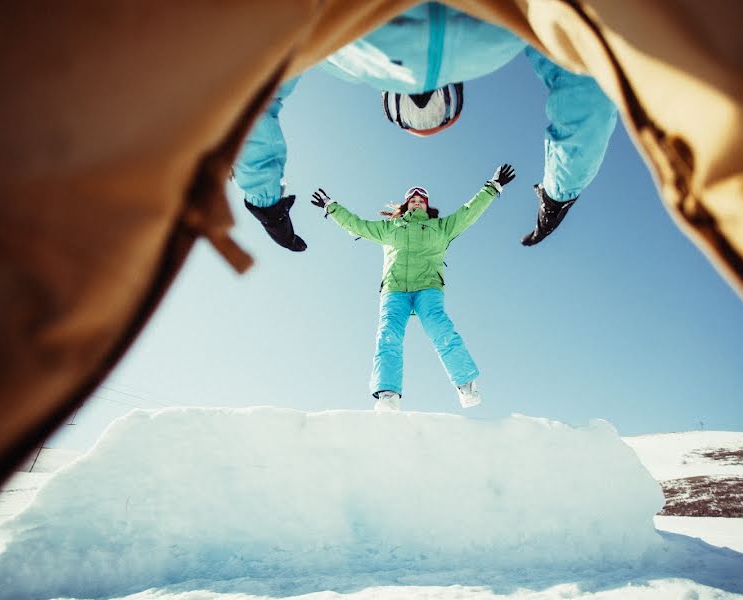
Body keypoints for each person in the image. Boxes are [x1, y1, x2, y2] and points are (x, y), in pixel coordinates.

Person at [236, 2, 616, 252]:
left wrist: (269, 206)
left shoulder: (330, 41)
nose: (419, 97)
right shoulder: (332, 44)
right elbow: (587, 86)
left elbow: (248, 96)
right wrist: (555, 196)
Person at [310, 164, 516, 410]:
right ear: (406, 204)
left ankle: (466, 386)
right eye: (413, 200)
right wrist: (331, 207)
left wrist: (492, 187)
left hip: (428, 288)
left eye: (421, 200)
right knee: (388, 337)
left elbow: (468, 212)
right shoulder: (389, 228)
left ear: (427, 205)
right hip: (395, 290)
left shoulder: (441, 227)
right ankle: (388, 395)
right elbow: (357, 224)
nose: (417, 202)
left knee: (442, 330)